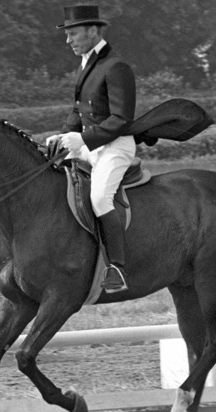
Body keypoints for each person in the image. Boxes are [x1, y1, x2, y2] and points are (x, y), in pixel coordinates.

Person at [46, 4, 137, 293]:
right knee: (46, 168)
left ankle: (117, 268)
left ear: (94, 30)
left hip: (114, 147)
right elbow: (78, 111)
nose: (68, 40)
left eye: (73, 33)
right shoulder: (87, 63)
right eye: (67, 34)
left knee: (99, 198)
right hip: (90, 145)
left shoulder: (116, 66)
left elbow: (121, 119)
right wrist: (61, 137)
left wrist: (83, 140)